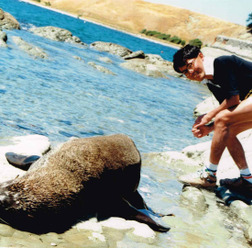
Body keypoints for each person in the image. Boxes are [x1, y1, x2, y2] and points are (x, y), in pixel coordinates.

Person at [172, 44, 252, 194]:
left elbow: (233, 100)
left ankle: (209, 175)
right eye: (185, 72)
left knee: (222, 119)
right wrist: (208, 127)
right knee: (227, 131)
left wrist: (208, 115)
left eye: (190, 65)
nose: (190, 72)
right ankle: (248, 180)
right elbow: (232, 111)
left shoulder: (222, 63)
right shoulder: (211, 82)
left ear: (201, 56)